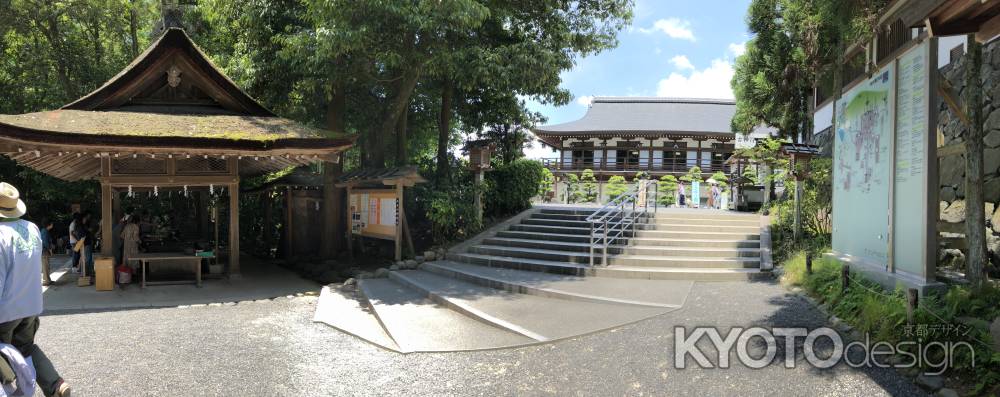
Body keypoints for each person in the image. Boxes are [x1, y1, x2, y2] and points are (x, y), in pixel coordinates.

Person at [0, 182, 71, 396]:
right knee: (26, 347)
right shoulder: (31, 228)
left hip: (7, 309)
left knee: (3, 351)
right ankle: (55, 384)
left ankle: (9, 385)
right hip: (31, 304)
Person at [38, 218, 54, 286]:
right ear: (49, 224)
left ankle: (48, 280)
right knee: (45, 266)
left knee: (46, 266)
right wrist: (50, 250)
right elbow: (45, 242)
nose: (52, 225)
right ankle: (46, 281)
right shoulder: (45, 232)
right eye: (52, 223)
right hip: (44, 251)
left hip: (44, 251)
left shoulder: (44, 231)